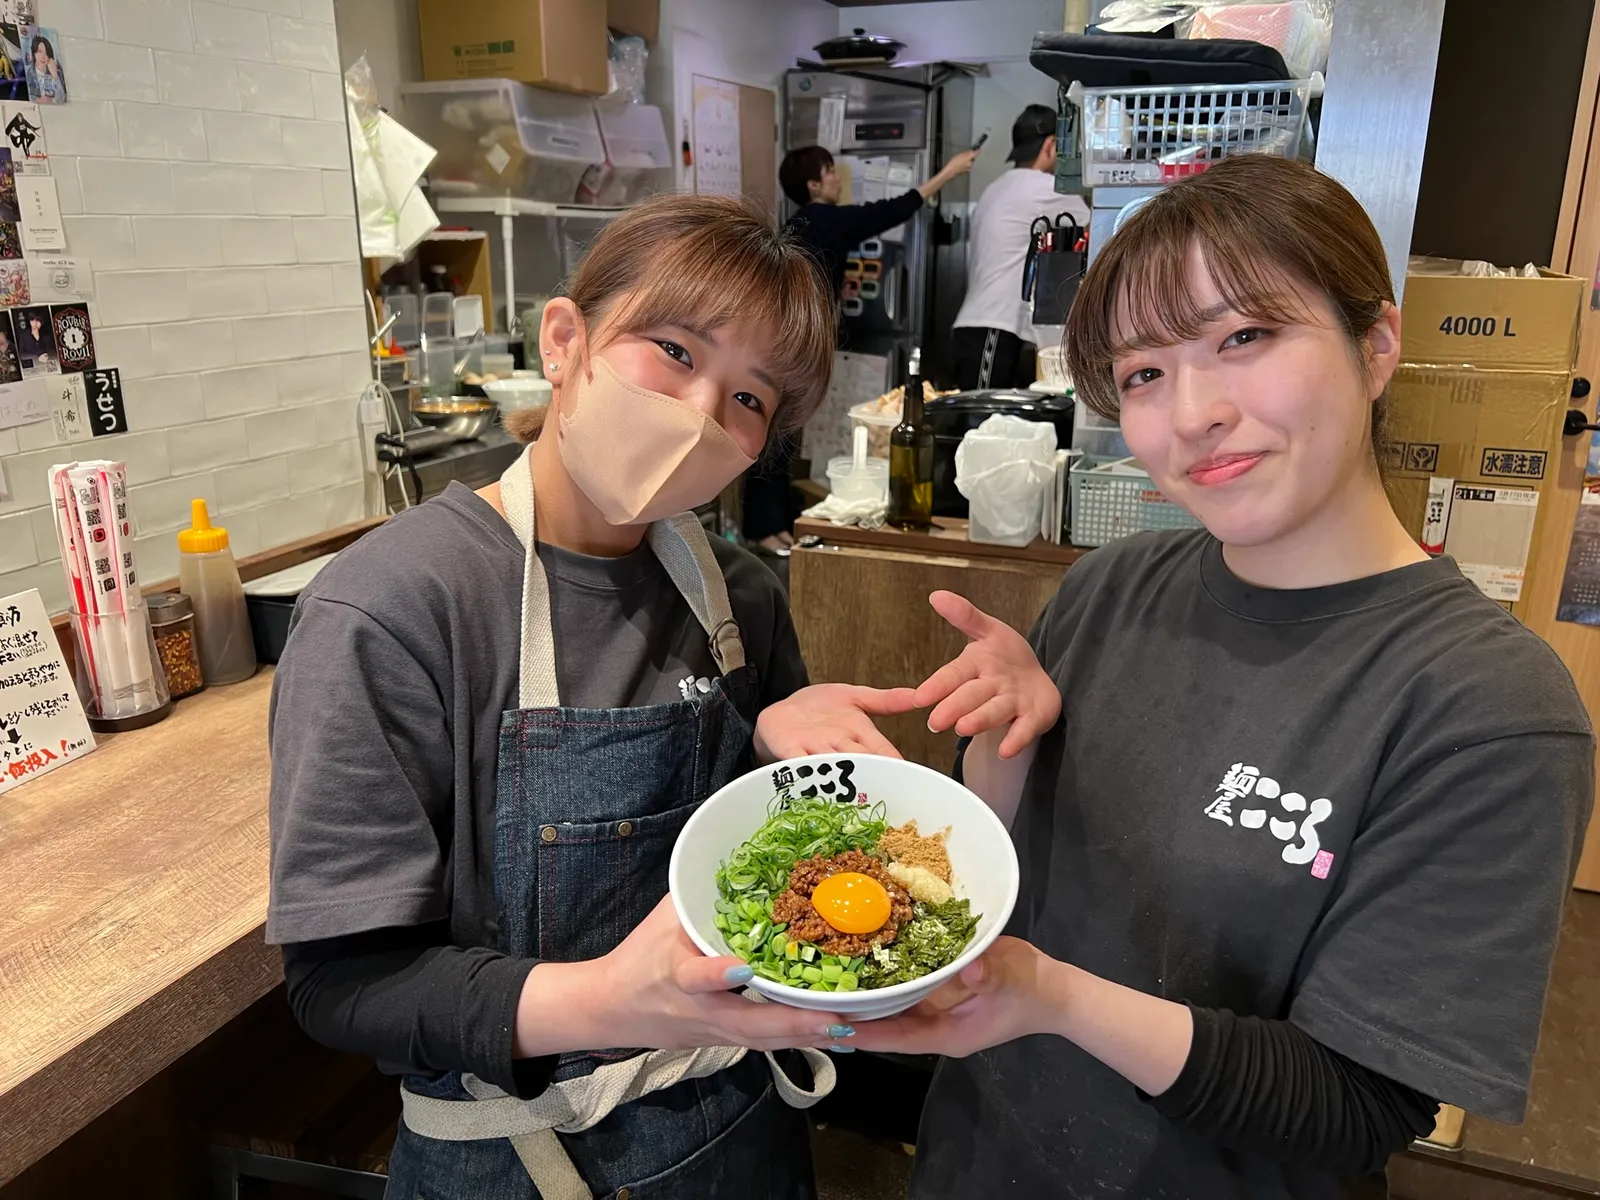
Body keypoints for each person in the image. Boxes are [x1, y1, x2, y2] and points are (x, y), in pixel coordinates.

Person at [852, 155, 1595, 1197]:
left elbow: (1357, 1107)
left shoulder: (1487, 709)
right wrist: (998, 737)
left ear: (1375, 343)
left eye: (1242, 338)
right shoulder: (1111, 586)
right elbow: (1007, 884)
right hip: (982, 1157)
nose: (1190, 412)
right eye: (1146, 373)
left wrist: (1050, 999)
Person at [267, 194, 921, 1200]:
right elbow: (344, 985)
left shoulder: (735, 594)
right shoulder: (396, 605)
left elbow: (767, 876)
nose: (701, 414)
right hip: (517, 1153)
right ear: (565, 340)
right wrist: (610, 1001)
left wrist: (793, 759)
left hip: (742, 1126)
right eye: (672, 349)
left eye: (750, 400)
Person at [742, 143, 981, 553]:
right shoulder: (824, 219)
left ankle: (773, 519)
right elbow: (893, 209)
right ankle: (764, 527)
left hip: (784, 337)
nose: (838, 177)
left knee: (778, 432)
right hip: (790, 340)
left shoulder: (801, 222)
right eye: (831, 171)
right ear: (815, 184)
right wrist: (948, 174)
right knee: (777, 434)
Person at [950, 104, 1089, 390]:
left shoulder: (995, 187)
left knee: (982, 422)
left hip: (978, 322)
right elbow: (1100, 224)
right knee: (983, 419)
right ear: (1051, 145)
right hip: (995, 324)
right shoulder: (1046, 188)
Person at [26, 34, 63, 104]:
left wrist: (55, 75)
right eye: (40, 51)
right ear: (34, 53)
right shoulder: (28, 73)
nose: (43, 57)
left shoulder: (57, 72)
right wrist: (37, 100)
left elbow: (62, 99)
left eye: (46, 53)